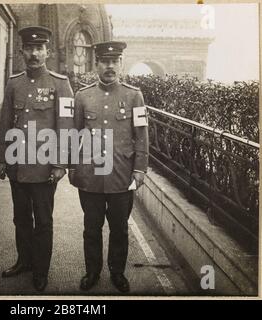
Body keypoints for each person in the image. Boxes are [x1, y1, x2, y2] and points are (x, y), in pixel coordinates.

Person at [0, 26, 74, 291]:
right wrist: (2, 158)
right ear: (22, 52)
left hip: (44, 168)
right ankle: (24, 261)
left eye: (39, 48)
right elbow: (5, 122)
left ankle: (41, 270)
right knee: (20, 217)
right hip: (18, 164)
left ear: (47, 52)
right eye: (29, 48)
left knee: (42, 220)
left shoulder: (60, 84)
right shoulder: (13, 83)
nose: (34, 54)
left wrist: (60, 164)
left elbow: (66, 126)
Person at [69, 41, 149, 293]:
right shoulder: (82, 96)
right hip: (91, 176)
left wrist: (140, 169)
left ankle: (117, 272)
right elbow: (74, 133)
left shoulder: (134, 95)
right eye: (105, 61)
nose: (110, 66)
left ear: (121, 63)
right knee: (91, 228)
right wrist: (73, 166)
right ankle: (92, 271)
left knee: (120, 229)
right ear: (97, 64)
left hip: (121, 175)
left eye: (114, 61)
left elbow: (141, 135)